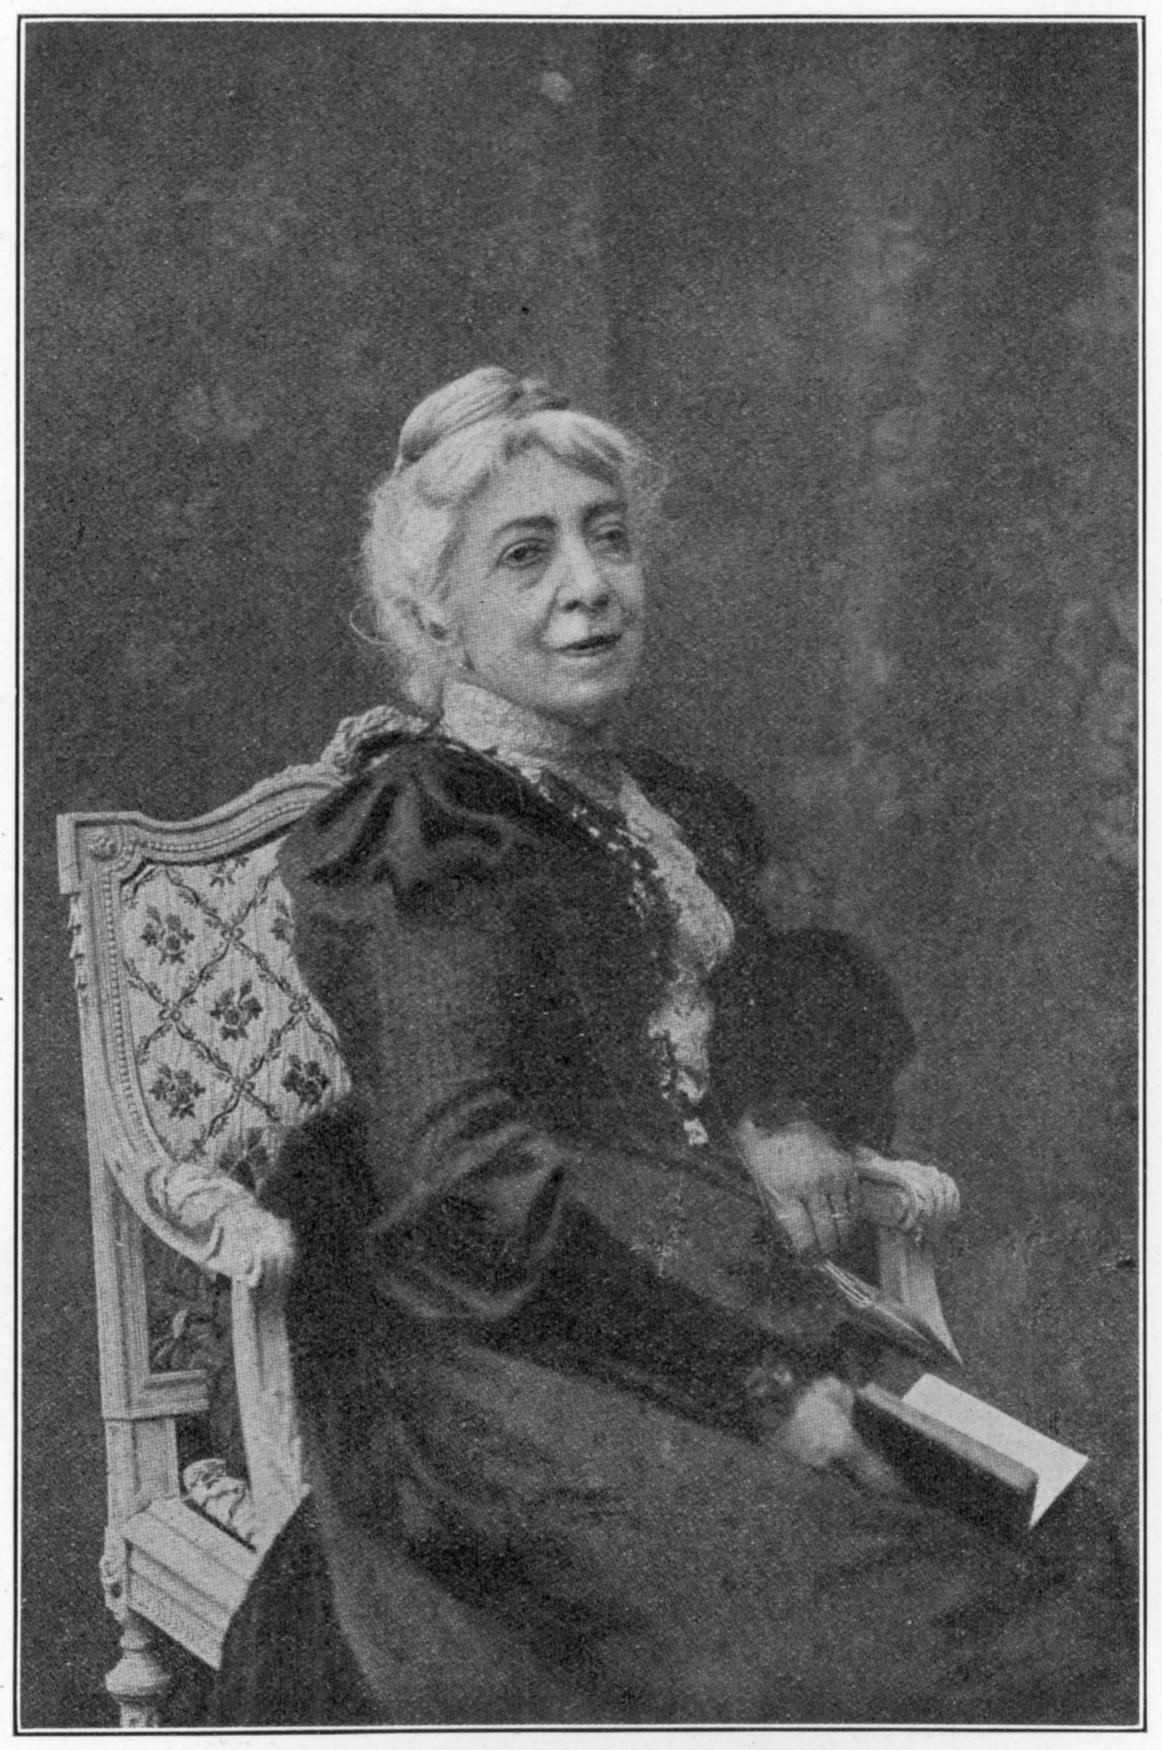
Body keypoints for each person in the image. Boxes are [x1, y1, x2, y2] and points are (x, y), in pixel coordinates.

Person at [210, 367, 1135, 1726]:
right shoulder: (422, 833)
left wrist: (777, 1104)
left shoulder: (671, 809)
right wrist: (762, 1391)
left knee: (1053, 1537)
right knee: (862, 1633)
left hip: (732, 1280)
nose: (589, 585)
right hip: (520, 1353)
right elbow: (463, 1182)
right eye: (524, 554)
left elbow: (770, 994)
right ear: (434, 608)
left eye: (609, 537)